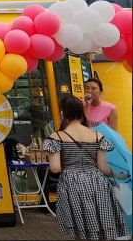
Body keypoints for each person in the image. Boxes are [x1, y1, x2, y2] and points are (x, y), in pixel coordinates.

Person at [43, 95, 128, 240]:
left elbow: (55, 168)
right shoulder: (96, 135)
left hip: (72, 184)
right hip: (98, 183)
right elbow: (103, 168)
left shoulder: (57, 137)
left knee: (81, 230)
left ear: (62, 112)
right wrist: (120, 175)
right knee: (101, 226)